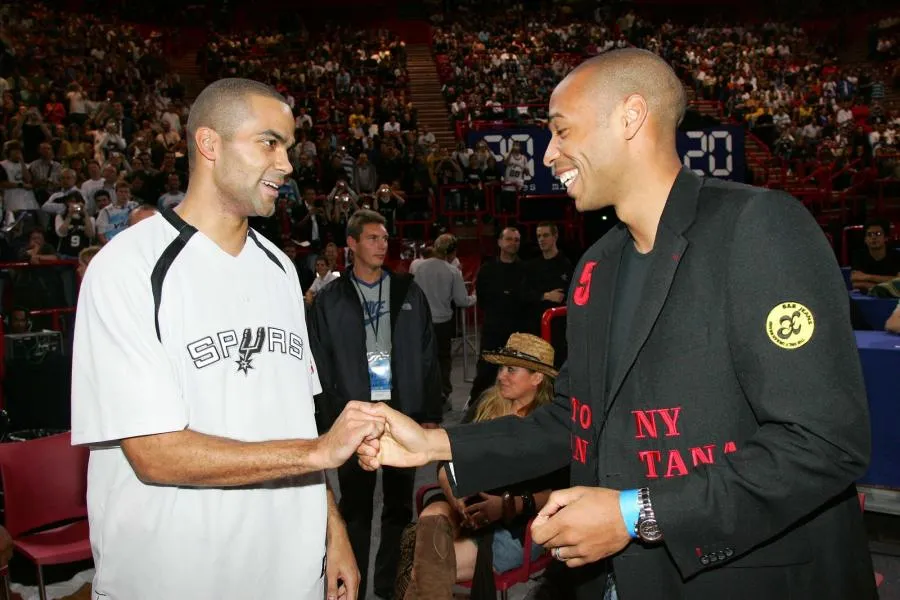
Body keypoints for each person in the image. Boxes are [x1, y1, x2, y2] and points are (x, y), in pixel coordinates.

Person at [357, 49, 874, 599]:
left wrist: (637, 514)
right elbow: (574, 419)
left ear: (630, 117)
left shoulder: (757, 227)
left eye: (562, 130)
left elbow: (822, 441)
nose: (549, 153)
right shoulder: (596, 266)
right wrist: (435, 443)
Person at [71, 78, 386, 600]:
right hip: (173, 579)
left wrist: (333, 532)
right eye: (269, 143)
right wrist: (318, 453)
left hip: (291, 574)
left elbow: (297, 422)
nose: (287, 164)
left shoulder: (280, 269)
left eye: (288, 146)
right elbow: (154, 453)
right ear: (209, 144)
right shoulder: (127, 268)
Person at [309, 209, 443, 600]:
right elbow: (319, 360)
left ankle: (387, 587)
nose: (381, 245)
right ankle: (354, 585)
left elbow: (428, 353)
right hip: (353, 413)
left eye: (384, 238)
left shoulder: (407, 291)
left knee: (399, 506)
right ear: (351, 244)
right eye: (372, 238)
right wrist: (326, 417)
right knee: (356, 507)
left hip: (401, 410)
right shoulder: (330, 299)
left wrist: (430, 412)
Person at [395, 334, 567, 600]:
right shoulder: (486, 404)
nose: (501, 376)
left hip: (516, 525)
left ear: (537, 378)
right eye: (501, 368)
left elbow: (561, 492)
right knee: (432, 519)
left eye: (511, 370)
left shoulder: (551, 426)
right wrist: (456, 498)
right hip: (466, 503)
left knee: (423, 564)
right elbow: (446, 459)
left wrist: (509, 505)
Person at [412, 233, 477, 405]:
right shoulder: (452, 271)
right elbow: (461, 301)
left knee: (424, 358)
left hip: (421, 321)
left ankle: (424, 393)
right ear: (453, 252)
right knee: (443, 359)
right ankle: (443, 393)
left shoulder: (419, 267)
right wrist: (475, 297)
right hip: (442, 323)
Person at [468, 227, 526, 407]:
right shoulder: (487, 270)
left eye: (516, 240)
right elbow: (482, 300)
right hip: (493, 330)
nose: (513, 243)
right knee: (486, 372)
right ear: (500, 242)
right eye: (509, 239)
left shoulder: (525, 269)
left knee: (518, 374)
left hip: (518, 331)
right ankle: (476, 409)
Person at [850, 220, 900, 292]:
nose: (873, 237)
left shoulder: (896, 255)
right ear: (865, 239)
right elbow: (855, 281)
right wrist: (889, 285)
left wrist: (867, 277)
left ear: (886, 238)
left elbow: (898, 281)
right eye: (869, 234)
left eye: (878, 234)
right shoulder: (859, 255)